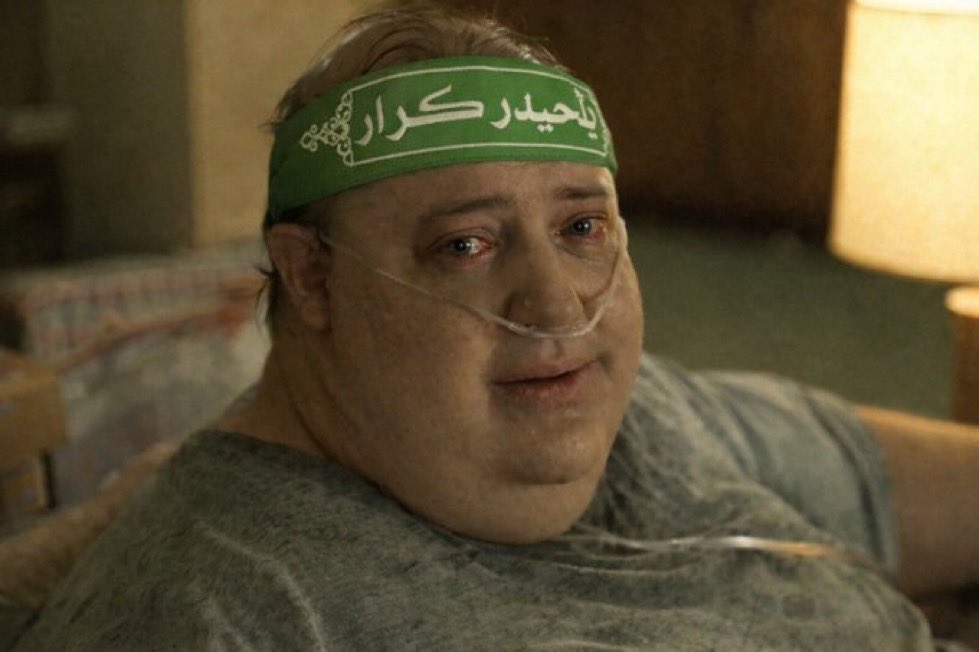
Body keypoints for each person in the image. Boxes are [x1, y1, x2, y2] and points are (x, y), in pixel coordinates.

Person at [6, 3, 979, 649]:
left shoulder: (614, 411)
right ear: (311, 277)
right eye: (465, 245)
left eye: (581, 229)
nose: (558, 306)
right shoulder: (226, 609)